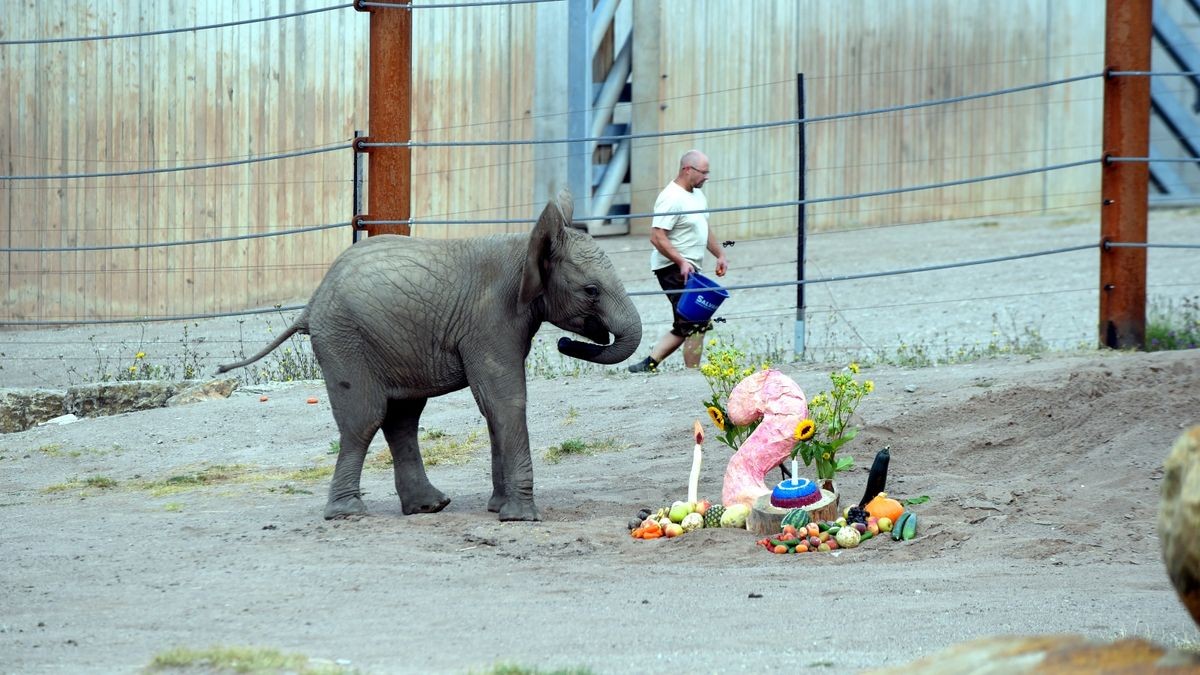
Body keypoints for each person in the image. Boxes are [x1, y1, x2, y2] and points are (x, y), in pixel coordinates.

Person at [628, 149, 729, 373]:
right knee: (696, 322)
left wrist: (720, 254)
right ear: (687, 169)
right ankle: (691, 374)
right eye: (703, 172)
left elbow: (704, 228)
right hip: (672, 268)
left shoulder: (697, 195)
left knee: (688, 322)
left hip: (690, 269)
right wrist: (681, 261)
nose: (707, 177)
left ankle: (648, 364)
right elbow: (657, 236)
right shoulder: (671, 197)